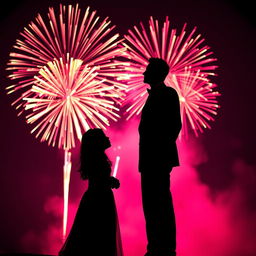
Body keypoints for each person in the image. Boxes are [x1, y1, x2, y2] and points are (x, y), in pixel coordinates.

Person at [139, 58, 182, 256]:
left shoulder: (167, 94)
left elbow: (174, 126)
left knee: (159, 203)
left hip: (157, 159)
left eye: (147, 70)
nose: (143, 73)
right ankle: (156, 245)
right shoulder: (159, 94)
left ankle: (163, 247)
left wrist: (159, 148)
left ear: (156, 73)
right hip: (150, 160)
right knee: (151, 204)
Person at [59, 128, 123, 256]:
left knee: (91, 231)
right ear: (97, 142)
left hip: (96, 196)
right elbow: (99, 179)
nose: (108, 138)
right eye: (104, 137)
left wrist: (110, 180)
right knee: (100, 230)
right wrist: (111, 181)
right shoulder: (98, 160)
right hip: (100, 198)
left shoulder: (96, 159)